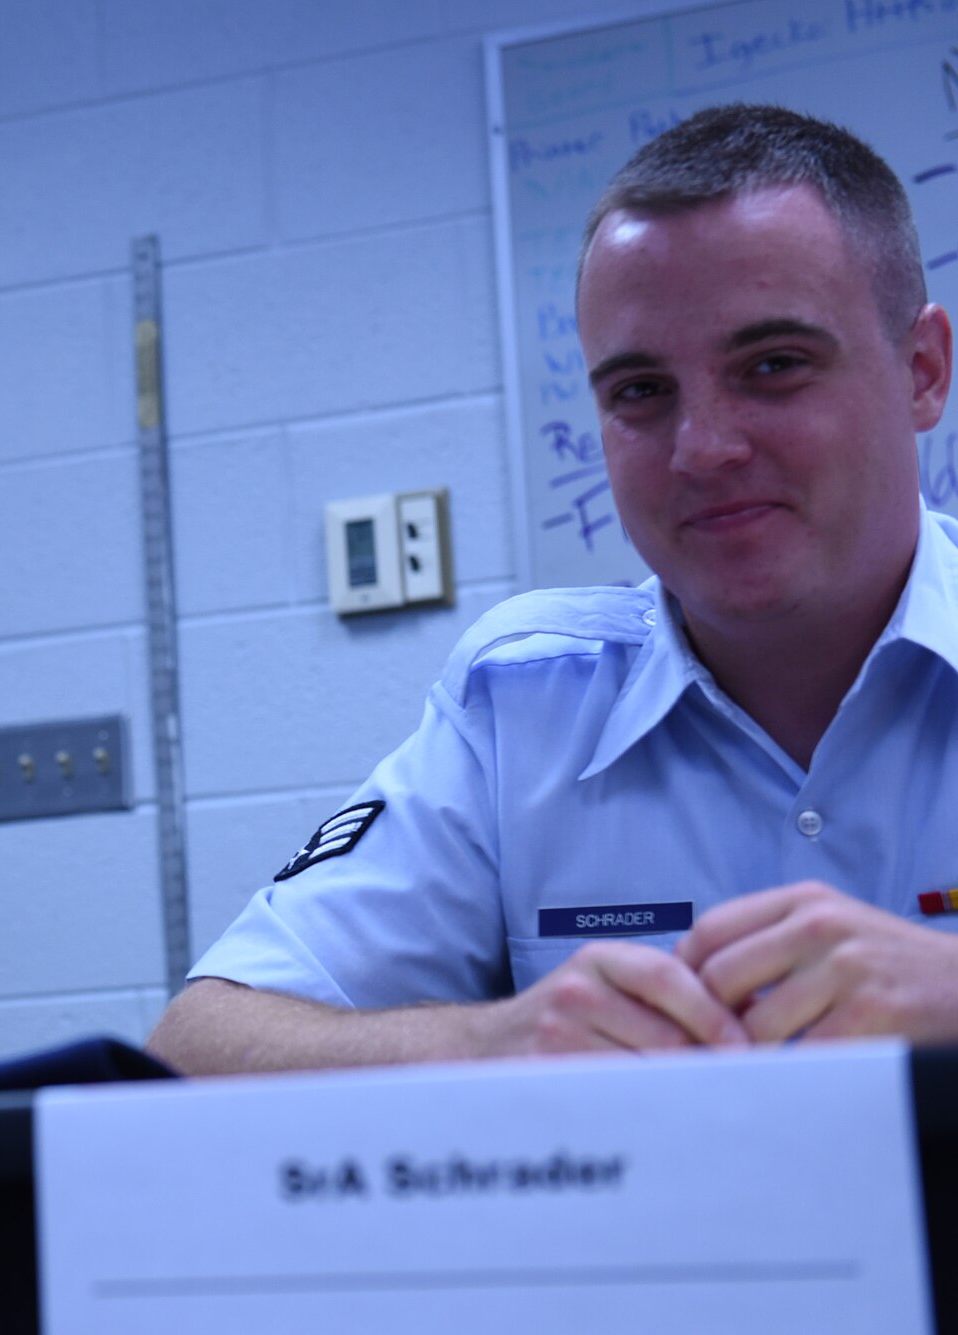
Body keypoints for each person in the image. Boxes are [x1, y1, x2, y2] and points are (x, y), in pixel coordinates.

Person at [148, 103, 958, 1073]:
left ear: (921, 370)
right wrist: (492, 1039)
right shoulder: (525, 704)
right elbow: (192, 1051)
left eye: (772, 366)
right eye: (638, 392)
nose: (702, 448)